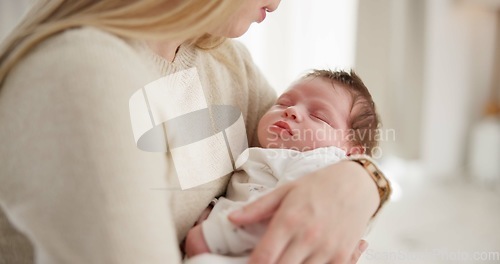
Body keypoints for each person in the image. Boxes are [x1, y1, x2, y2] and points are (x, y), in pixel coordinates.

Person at [0, 0, 390, 263]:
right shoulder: (82, 77)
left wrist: (366, 180)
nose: (278, 2)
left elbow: (320, 169)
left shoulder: (223, 63)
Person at [183, 69, 386, 261]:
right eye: (282, 103)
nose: (291, 111)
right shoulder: (270, 157)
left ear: (351, 153)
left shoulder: (323, 162)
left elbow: (288, 213)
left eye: (319, 116)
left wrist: (212, 236)